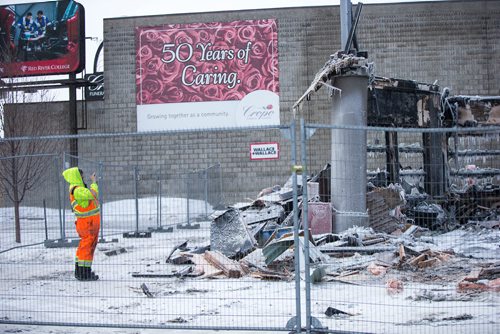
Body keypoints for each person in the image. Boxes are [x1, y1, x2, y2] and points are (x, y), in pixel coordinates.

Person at [62, 167, 100, 281]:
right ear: (76, 176)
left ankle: (82, 272)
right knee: (86, 248)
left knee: (86, 247)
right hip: (87, 224)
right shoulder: (78, 190)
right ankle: (84, 274)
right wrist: (94, 182)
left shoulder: (78, 189)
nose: (83, 178)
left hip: (88, 223)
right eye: (81, 176)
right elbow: (93, 194)